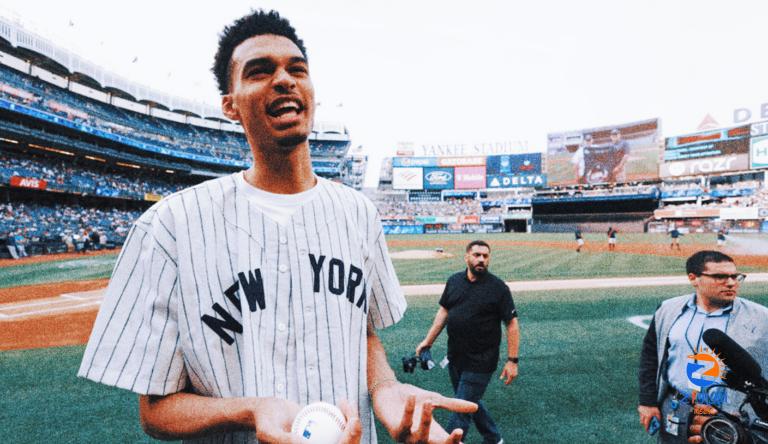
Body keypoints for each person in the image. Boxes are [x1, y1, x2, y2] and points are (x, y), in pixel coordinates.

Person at [78, 10, 475, 444]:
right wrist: (251, 411)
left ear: (311, 91)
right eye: (260, 71)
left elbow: (361, 332)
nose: (284, 79)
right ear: (230, 104)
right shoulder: (170, 226)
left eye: (296, 69)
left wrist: (385, 393)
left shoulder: (358, 213)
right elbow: (156, 413)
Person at [638, 251, 768, 443]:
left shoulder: (762, 317)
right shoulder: (668, 309)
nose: (731, 282)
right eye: (719, 277)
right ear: (694, 278)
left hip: (730, 411)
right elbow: (651, 355)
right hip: (677, 406)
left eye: (735, 276)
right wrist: (647, 402)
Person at [416, 240, 519, 444]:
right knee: (469, 401)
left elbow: (512, 323)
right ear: (466, 257)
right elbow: (444, 311)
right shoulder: (454, 281)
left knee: (460, 407)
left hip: (482, 360)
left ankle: (448, 440)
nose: (481, 259)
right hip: (455, 357)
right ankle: (494, 438)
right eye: (477, 255)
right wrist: (428, 341)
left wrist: (512, 360)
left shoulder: (498, 288)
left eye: (485, 256)